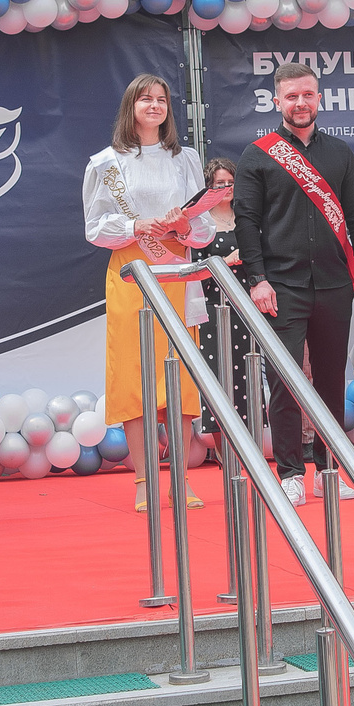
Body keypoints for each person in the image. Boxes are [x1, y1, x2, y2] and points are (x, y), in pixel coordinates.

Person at [235, 60, 354, 506]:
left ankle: (331, 469)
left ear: (320, 98)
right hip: (280, 285)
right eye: (292, 96)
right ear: (276, 100)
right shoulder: (257, 154)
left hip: (335, 284)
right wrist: (257, 279)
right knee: (284, 381)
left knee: (330, 382)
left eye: (308, 95)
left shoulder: (340, 153)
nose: (301, 103)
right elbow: (246, 222)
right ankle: (291, 472)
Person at [82, 75, 214, 514]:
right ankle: (143, 482)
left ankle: (181, 480)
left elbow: (206, 225)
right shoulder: (106, 162)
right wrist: (135, 227)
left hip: (177, 274)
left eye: (161, 100)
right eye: (146, 99)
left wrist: (183, 226)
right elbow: (95, 228)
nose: (155, 106)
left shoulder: (185, 159)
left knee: (179, 378)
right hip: (130, 276)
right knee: (136, 381)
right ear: (131, 107)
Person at [193, 159, 255, 443]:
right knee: (219, 376)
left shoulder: (246, 216)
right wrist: (222, 263)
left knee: (247, 374)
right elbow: (191, 269)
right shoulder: (201, 224)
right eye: (220, 184)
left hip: (245, 307)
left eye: (231, 183)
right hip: (212, 307)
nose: (227, 188)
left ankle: (249, 449)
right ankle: (224, 452)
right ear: (209, 187)